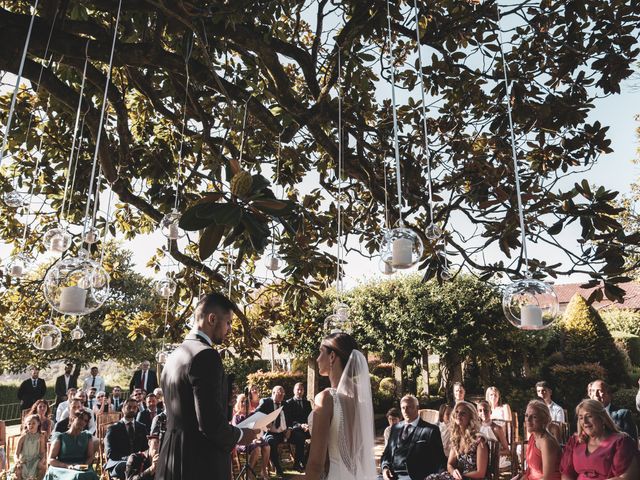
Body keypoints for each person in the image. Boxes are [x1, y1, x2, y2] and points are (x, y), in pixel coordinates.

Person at [155, 292, 257, 480]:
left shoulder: (175, 355)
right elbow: (210, 424)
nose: (230, 329)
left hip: (171, 457)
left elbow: (188, 408)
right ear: (212, 319)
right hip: (198, 463)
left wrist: (224, 399)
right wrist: (241, 434)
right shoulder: (206, 355)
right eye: (228, 322)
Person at [305, 332, 377, 480]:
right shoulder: (362, 399)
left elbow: (315, 464)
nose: (317, 359)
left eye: (320, 352)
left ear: (332, 356)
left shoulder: (326, 399)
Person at [560, 399, 638, 480]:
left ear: (602, 418)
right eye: (581, 418)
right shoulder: (575, 441)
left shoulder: (621, 442)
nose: (585, 422)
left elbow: (627, 477)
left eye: (589, 416)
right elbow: (566, 473)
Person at [381, 395, 446, 480]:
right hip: (392, 475)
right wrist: (385, 468)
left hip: (415, 476)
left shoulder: (431, 430)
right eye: (403, 408)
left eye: (409, 407)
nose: (406, 411)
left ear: (417, 408)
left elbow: (439, 460)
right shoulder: (395, 428)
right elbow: (387, 454)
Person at [425, 401, 488, 480]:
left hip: (471, 478)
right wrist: (453, 472)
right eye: (457, 412)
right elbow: (450, 464)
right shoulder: (457, 438)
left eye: (463, 413)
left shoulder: (479, 441)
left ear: (471, 417)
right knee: (430, 478)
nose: (458, 415)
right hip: (457, 477)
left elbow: (480, 473)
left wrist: (461, 476)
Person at [45, 410, 98, 479]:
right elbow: (51, 459)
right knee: (76, 476)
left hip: (81, 467)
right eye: (81, 418)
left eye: (85, 420)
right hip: (62, 468)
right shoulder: (61, 437)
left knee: (89, 475)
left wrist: (84, 466)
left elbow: (90, 456)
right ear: (73, 418)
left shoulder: (87, 437)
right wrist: (67, 466)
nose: (83, 422)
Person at [104, 398, 149, 479]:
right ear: (122, 409)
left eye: (135, 407)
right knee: (125, 467)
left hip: (138, 463)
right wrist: (129, 459)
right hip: (119, 462)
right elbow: (109, 452)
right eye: (129, 407)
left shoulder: (142, 427)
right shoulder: (113, 428)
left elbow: (146, 448)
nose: (132, 409)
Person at [231, 393, 270, 480]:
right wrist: (253, 439)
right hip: (241, 441)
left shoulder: (253, 415)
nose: (244, 403)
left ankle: (263, 472)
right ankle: (248, 474)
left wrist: (258, 435)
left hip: (254, 439)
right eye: (242, 402)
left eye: (246, 401)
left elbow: (259, 429)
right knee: (256, 449)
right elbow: (236, 432)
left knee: (267, 446)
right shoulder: (236, 417)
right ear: (238, 403)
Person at [521, 400, 561, 480]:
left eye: (534, 417)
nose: (528, 420)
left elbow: (547, 477)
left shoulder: (546, 442)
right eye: (526, 415)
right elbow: (530, 470)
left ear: (544, 420)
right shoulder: (533, 437)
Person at [256, 385, 289, 477]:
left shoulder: (285, 404)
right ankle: (279, 469)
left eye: (283, 393)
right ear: (273, 393)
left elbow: (290, 419)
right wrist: (265, 421)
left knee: (299, 437)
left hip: (283, 432)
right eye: (280, 393)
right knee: (271, 442)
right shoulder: (265, 402)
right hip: (270, 432)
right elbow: (256, 414)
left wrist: (289, 429)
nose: (282, 395)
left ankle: (299, 464)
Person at [285, 382, 313, 471]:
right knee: (300, 437)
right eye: (298, 389)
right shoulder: (288, 403)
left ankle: (305, 461)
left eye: (301, 389)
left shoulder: (307, 403)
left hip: (306, 428)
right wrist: (300, 425)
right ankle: (297, 464)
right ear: (294, 391)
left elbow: (310, 417)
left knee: (318, 436)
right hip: (294, 430)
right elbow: (288, 420)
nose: (300, 391)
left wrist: (308, 425)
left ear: (304, 391)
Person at [476, 400, 509, 470]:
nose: (483, 413)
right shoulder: (476, 428)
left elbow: (507, 450)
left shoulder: (497, 428)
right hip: (479, 458)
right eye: (480, 410)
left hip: (494, 458)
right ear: (478, 413)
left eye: (486, 410)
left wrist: (493, 453)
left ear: (490, 412)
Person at [11, 414, 46, 480]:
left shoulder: (41, 437)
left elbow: (42, 452)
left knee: (43, 467)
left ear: (38, 423)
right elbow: (16, 453)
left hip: (35, 460)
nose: (31, 425)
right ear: (26, 425)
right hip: (24, 461)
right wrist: (17, 461)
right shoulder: (23, 437)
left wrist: (42, 460)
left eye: (33, 423)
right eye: (29, 424)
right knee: (18, 470)